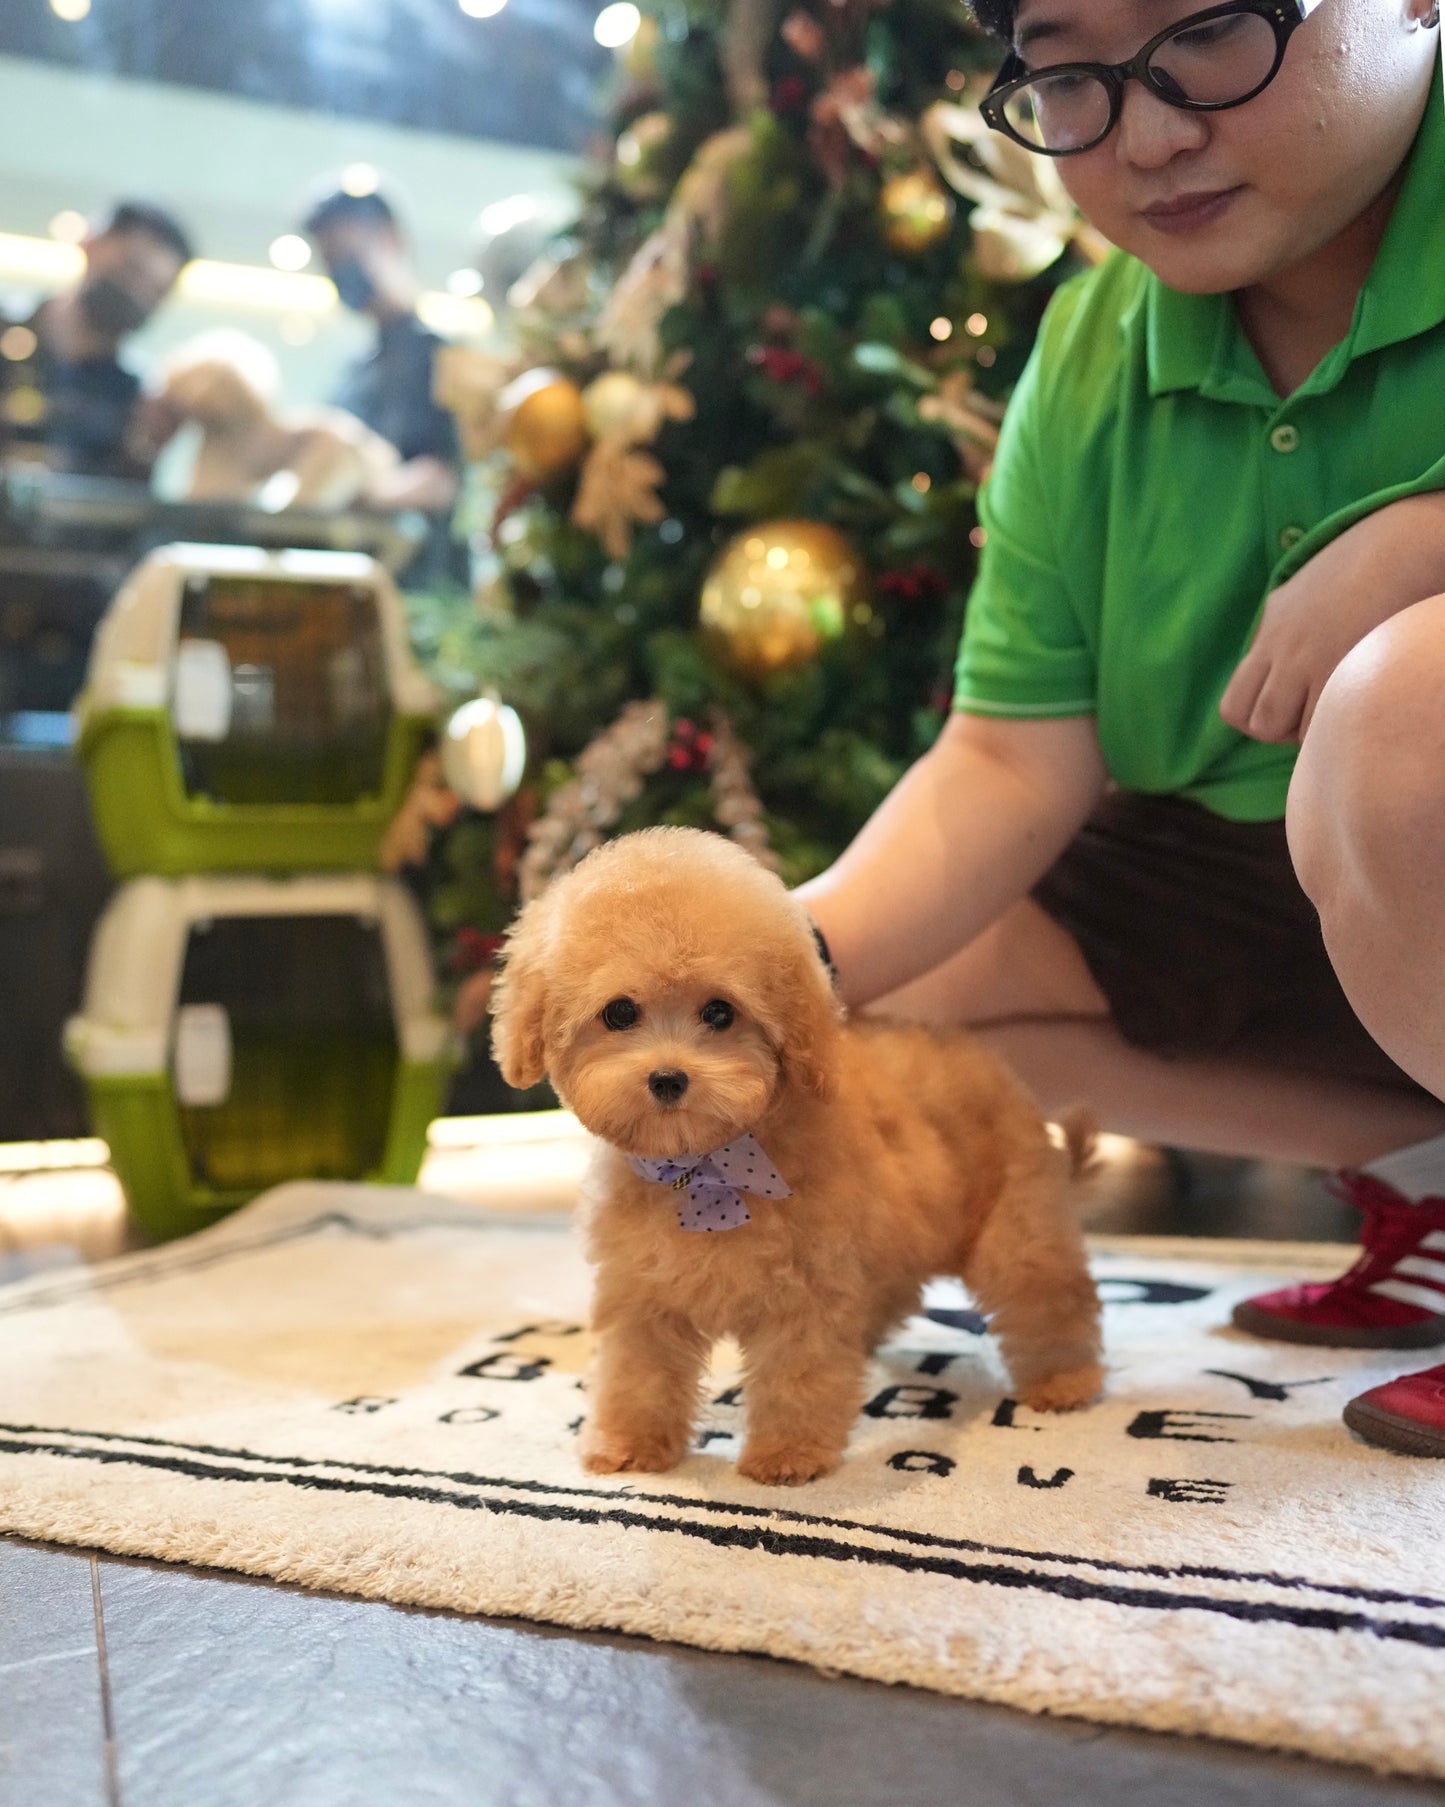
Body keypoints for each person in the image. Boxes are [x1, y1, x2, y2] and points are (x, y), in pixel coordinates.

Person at [797, 0, 1445, 1457]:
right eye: (1070, 70)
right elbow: (1007, 760)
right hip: (1245, 876)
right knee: (895, 994)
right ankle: (1429, 1173)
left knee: (1409, 714)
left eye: (1210, 30)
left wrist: (1427, 541)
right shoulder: (1092, 345)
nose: (1147, 132)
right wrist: (772, 967)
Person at [301, 186, 463, 579]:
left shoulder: (445, 360)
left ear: (391, 241)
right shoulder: (353, 372)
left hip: (423, 589)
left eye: (348, 256)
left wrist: (355, 494)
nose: (342, 272)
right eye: (331, 262)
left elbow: (442, 480)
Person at [0, 199, 194, 479]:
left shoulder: (137, 397)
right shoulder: (7, 331)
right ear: (91, 244)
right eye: (132, 269)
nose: (137, 294)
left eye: (156, 290)